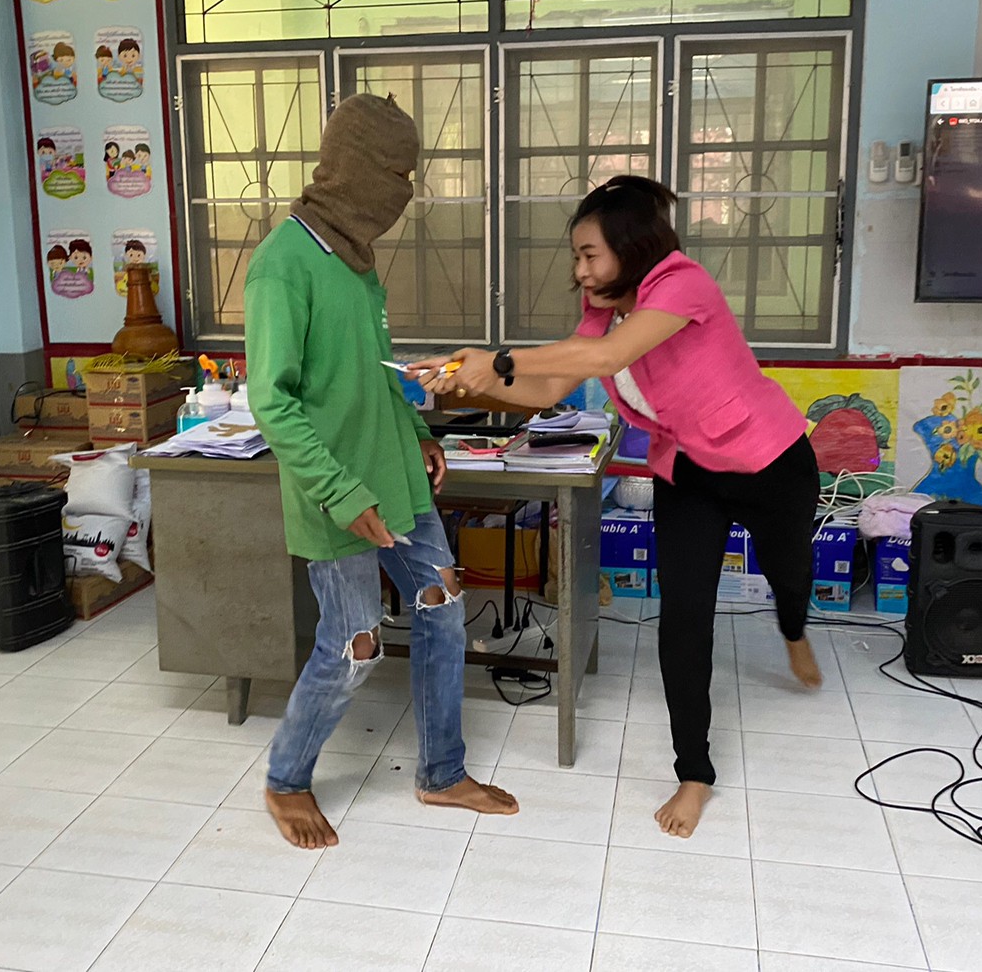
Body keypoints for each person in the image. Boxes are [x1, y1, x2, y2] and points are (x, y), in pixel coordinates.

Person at [411, 175, 821, 840]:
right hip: (688, 471)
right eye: (576, 256)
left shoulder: (682, 283)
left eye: (589, 255)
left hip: (767, 460)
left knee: (790, 572)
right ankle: (695, 773)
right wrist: (463, 379)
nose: (579, 270)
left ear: (631, 249)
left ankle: (794, 632)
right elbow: (551, 385)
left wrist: (500, 360)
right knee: (682, 619)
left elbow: (608, 357)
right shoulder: (604, 309)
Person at [245, 93, 518, 850]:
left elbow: (374, 372)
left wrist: (417, 431)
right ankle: (287, 780)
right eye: (397, 173)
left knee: (442, 605)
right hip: (336, 494)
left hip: (396, 476)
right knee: (355, 640)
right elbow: (273, 402)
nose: (406, 190)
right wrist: (340, 492)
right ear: (357, 169)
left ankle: (441, 773)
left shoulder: (357, 261)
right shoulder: (284, 265)